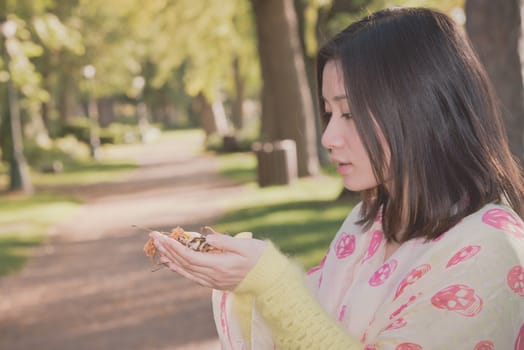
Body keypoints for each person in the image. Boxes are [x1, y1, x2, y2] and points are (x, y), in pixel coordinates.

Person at [149, 7, 524, 349]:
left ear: (420, 108)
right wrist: (243, 277)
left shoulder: (493, 252)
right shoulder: (371, 224)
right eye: (329, 113)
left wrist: (272, 282)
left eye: (350, 113)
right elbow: (307, 322)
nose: (329, 137)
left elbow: (295, 308)